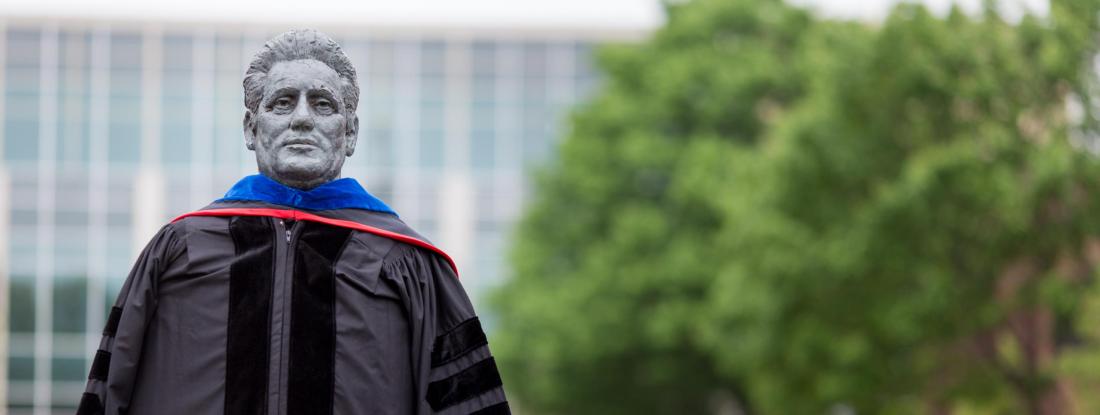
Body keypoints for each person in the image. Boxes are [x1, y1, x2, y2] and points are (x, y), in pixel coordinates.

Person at [76, 29, 509, 415]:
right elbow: (109, 394)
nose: (302, 118)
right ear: (251, 128)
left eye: (323, 104)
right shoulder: (177, 251)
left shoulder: (410, 265)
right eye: (283, 102)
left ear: (350, 133)